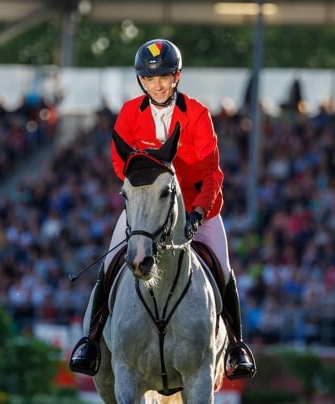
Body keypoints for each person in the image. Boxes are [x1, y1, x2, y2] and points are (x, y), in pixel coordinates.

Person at [68, 38, 256, 379]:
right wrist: (144, 186)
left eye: (164, 76)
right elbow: (118, 160)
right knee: (110, 264)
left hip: (199, 208)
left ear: (176, 77)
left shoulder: (196, 114)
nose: (156, 84)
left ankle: (236, 347)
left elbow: (212, 173)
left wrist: (198, 211)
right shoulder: (128, 114)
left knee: (223, 271)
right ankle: (92, 340)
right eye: (149, 78)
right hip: (145, 208)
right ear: (141, 80)